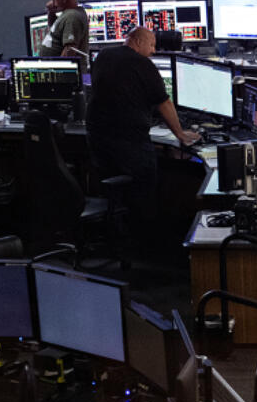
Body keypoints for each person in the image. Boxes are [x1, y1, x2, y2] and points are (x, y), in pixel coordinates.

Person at [85, 27, 198, 243]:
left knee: (116, 185)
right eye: (152, 45)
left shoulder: (103, 55)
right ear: (137, 42)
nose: (154, 51)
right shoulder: (142, 64)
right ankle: (148, 241)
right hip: (129, 140)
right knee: (147, 184)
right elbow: (163, 102)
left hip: (98, 136)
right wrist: (181, 134)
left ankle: (122, 232)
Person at [40, 0, 89, 68]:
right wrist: (51, 11)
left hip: (64, 77)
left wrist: (58, 72)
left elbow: (70, 50)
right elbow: (56, 29)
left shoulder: (72, 17)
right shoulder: (69, 13)